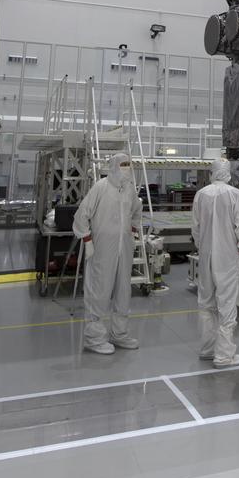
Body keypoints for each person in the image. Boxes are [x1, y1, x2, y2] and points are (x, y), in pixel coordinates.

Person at [72, 151, 142, 355]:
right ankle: (94, 338)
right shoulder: (101, 188)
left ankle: (119, 334)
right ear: (113, 167)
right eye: (123, 165)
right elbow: (81, 215)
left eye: (129, 164)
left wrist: (134, 229)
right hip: (102, 248)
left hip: (125, 248)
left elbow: (137, 210)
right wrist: (87, 240)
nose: (127, 168)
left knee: (123, 291)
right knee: (99, 290)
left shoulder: (129, 189)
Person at [191, 156, 239, 367]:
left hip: (205, 255)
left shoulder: (201, 195)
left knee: (206, 303)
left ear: (211, 172)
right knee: (226, 304)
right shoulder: (236, 195)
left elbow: (195, 228)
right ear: (228, 173)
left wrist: (203, 247)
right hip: (227, 257)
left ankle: (208, 348)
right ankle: (224, 354)